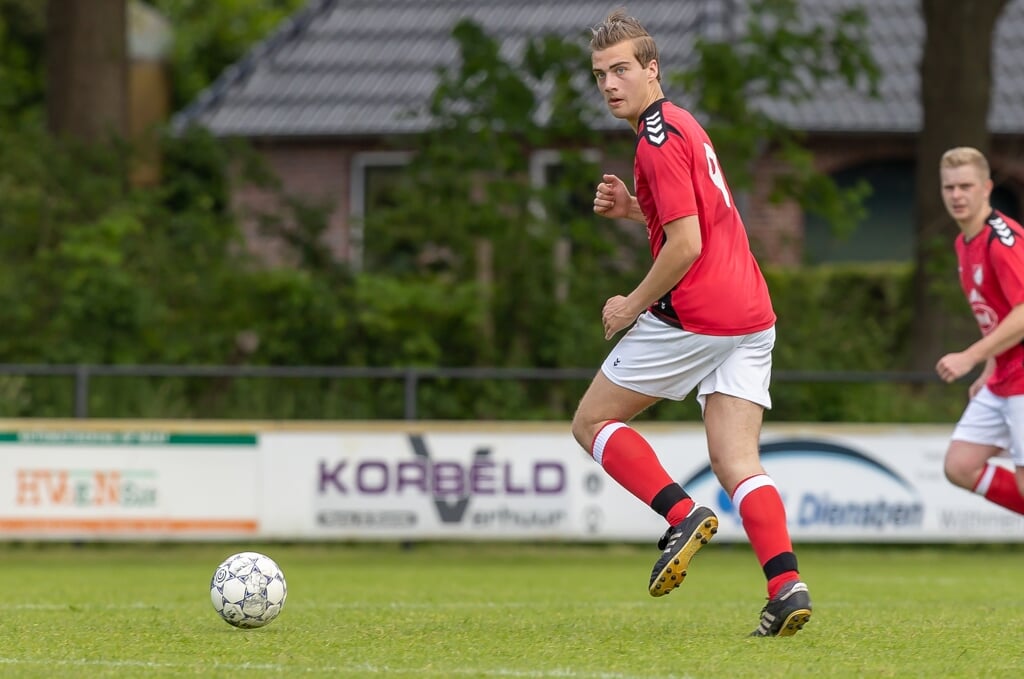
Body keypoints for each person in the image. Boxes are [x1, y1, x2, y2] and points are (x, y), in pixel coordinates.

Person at [569, 10, 811, 638]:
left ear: (653, 69)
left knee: (592, 421)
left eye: (622, 69)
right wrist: (634, 210)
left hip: (699, 312)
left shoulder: (653, 141)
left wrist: (629, 306)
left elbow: (685, 247)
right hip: (752, 313)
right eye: (600, 75)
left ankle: (680, 515)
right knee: (737, 460)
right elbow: (695, 219)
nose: (610, 84)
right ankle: (786, 586)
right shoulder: (681, 124)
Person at [935, 147, 1024, 517]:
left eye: (966, 186)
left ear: (986, 188)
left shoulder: (1001, 241)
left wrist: (970, 357)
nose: (957, 195)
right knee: (960, 464)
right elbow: (997, 314)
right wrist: (989, 367)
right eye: (949, 187)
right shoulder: (964, 242)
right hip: (1003, 373)